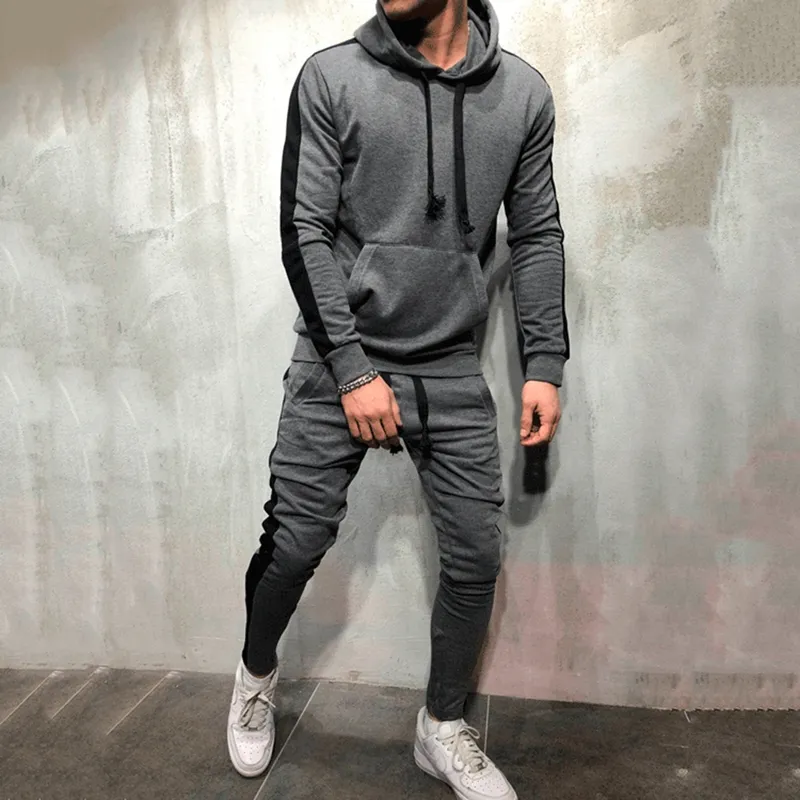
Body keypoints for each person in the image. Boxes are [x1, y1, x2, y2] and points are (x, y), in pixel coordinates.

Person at [226, 0, 568, 796]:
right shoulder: (331, 77)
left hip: (448, 362)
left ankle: (441, 726)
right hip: (340, 353)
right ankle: (254, 674)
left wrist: (544, 362)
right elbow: (304, 229)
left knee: (477, 554)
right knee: (295, 543)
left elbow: (538, 233)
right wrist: (351, 371)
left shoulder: (523, 95)